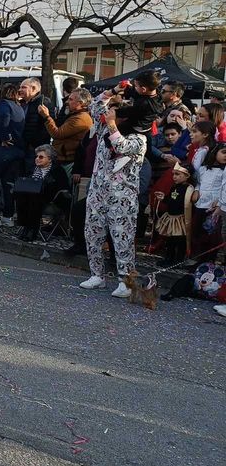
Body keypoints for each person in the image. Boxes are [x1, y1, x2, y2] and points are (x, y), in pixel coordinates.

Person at [80, 71, 158, 298]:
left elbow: (121, 146)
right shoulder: (105, 129)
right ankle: (96, 274)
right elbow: (95, 107)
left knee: (122, 237)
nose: (114, 115)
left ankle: (126, 281)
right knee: (92, 232)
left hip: (122, 195)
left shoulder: (139, 140)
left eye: (121, 113)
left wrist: (113, 123)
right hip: (98, 189)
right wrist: (112, 92)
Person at [0, 83, 26, 227]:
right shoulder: (19, 107)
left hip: (2, 150)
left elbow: (4, 119)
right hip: (17, 150)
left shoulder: (3, 105)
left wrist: (4, 137)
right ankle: (8, 216)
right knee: (8, 184)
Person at [13, 145, 71, 242]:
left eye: (41, 157)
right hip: (31, 196)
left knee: (34, 198)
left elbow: (62, 188)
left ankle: (32, 229)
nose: (37, 159)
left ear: (49, 158)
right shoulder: (32, 169)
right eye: (36, 156)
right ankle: (26, 227)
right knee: (23, 196)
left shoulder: (57, 171)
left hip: (50, 198)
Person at [39, 88, 93, 173]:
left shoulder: (80, 118)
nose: (67, 102)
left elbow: (57, 134)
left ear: (80, 103)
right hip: (63, 158)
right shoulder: (75, 115)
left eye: (71, 99)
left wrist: (46, 117)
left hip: (68, 161)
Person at [152, 162, 197, 267]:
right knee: (170, 240)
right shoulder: (174, 187)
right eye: (174, 174)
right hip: (171, 218)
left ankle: (178, 260)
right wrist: (164, 198)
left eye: (178, 174)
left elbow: (188, 204)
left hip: (180, 219)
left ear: (187, 176)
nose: (174, 177)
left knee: (180, 241)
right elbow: (170, 199)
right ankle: (168, 258)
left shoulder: (188, 189)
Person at [192, 142, 226, 261]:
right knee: (198, 233)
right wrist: (196, 190)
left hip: (214, 207)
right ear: (215, 152)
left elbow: (224, 188)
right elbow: (199, 183)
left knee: (211, 236)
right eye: (223, 152)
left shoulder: (224, 171)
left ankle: (209, 262)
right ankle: (198, 261)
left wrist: (219, 202)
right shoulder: (203, 169)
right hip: (200, 204)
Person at [19, 78, 53, 169]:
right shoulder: (25, 103)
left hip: (35, 149)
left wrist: (34, 143)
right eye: (20, 87)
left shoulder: (43, 103)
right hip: (26, 147)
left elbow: (47, 127)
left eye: (23, 87)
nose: (20, 90)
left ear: (33, 88)